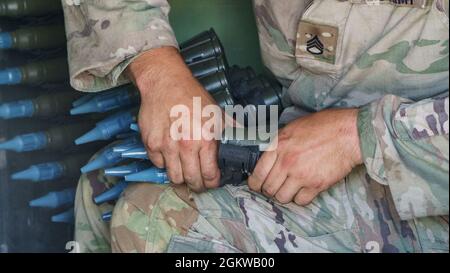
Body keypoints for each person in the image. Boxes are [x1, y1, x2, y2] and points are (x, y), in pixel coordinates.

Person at [62, 0, 449, 253]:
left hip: (421, 168)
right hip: (302, 120)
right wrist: (157, 68)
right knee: (103, 181)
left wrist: (358, 136)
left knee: (153, 217)